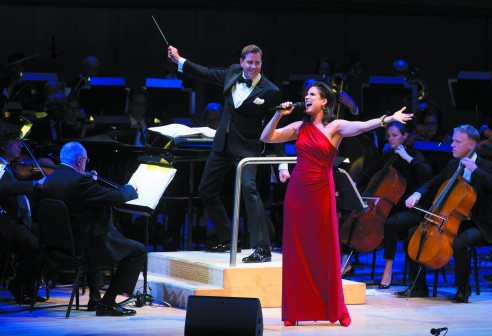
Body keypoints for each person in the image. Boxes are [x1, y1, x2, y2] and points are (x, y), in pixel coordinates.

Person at [260, 81, 411, 326]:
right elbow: (266, 136)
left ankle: (334, 309)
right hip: (298, 191)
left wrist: (387, 119)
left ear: (324, 101)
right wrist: (278, 114)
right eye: (305, 94)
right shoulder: (299, 126)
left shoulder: (335, 127)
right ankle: (295, 310)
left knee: (324, 248)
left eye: (312, 95)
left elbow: (362, 127)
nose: (306, 98)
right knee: (297, 250)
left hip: (321, 191)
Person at [167, 44, 289, 262]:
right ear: (241, 62)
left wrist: (282, 164)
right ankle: (226, 237)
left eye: (257, 63)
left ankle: (262, 248)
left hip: (247, 148)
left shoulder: (271, 91)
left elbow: (277, 126)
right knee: (205, 190)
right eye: (250, 62)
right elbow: (205, 72)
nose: (253, 67)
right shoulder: (232, 73)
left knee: (249, 190)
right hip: (222, 145)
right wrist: (179, 61)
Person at [41, 141, 147, 316]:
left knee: (112, 238)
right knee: (138, 251)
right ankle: (109, 302)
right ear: (80, 160)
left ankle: (96, 299)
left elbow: (81, 196)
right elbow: (114, 196)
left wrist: (92, 183)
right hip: (84, 245)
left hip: (56, 245)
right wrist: (130, 189)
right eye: (86, 161)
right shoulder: (80, 181)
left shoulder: (50, 179)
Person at [398, 125, 492, 303]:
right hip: (450, 221)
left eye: (457, 141)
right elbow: (433, 183)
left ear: (471, 145)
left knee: (461, 243)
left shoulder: (487, 166)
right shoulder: (453, 164)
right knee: (413, 233)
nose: (452, 145)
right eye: (452, 141)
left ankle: (463, 288)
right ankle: (419, 286)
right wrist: (418, 193)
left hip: (478, 224)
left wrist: (476, 170)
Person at [349, 121, 433, 288]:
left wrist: (408, 158)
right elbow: (370, 172)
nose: (391, 139)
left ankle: (388, 269)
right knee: (350, 216)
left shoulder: (415, 155)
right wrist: (355, 183)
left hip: (411, 208)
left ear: (405, 136)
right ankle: (346, 261)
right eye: (389, 136)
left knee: (391, 224)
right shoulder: (388, 156)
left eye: (395, 136)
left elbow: (428, 174)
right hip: (389, 208)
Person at [0, 122, 46, 304]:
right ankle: (18, 285)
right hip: (5, 222)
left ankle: (27, 286)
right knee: (35, 246)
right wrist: (34, 184)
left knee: (48, 240)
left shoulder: (8, 166)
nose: (20, 146)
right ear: (4, 144)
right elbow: (3, 187)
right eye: (17, 142)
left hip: (15, 220)